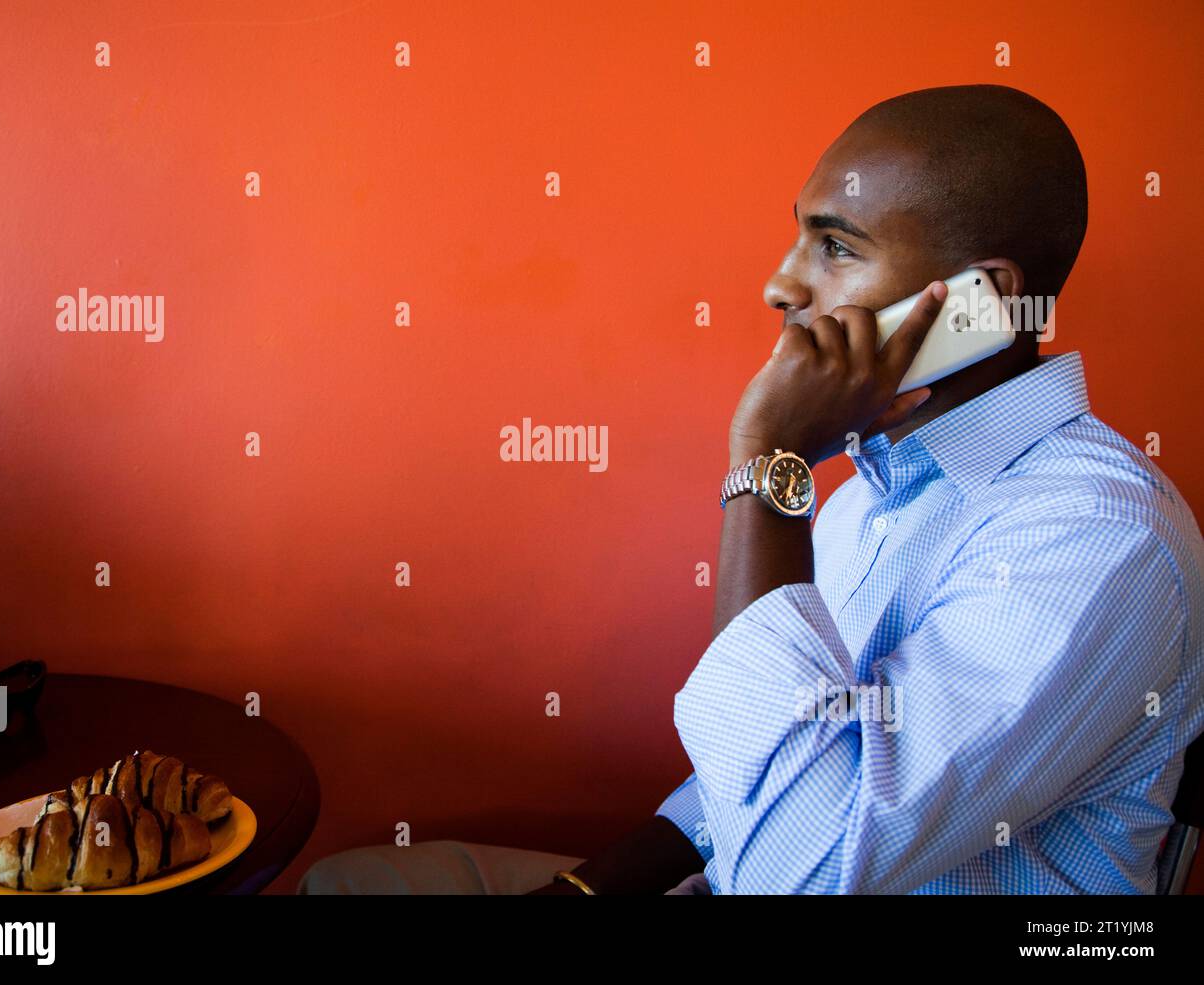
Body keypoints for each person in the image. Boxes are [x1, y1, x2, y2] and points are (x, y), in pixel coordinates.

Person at [298, 83, 1204, 895]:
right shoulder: (869, 496)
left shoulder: (1093, 538)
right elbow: (746, 778)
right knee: (352, 882)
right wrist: (587, 890)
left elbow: (798, 869)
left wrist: (767, 461)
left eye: (836, 246)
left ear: (979, 301)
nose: (781, 283)